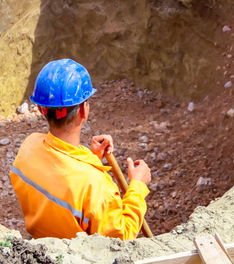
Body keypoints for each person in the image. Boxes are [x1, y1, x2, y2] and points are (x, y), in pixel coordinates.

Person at [11, 59, 151, 240]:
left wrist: (91, 159)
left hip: (42, 246)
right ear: (83, 111)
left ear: (40, 109)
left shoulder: (28, 147)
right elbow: (122, 235)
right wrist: (138, 185)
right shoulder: (95, 188)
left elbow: (62, 178)